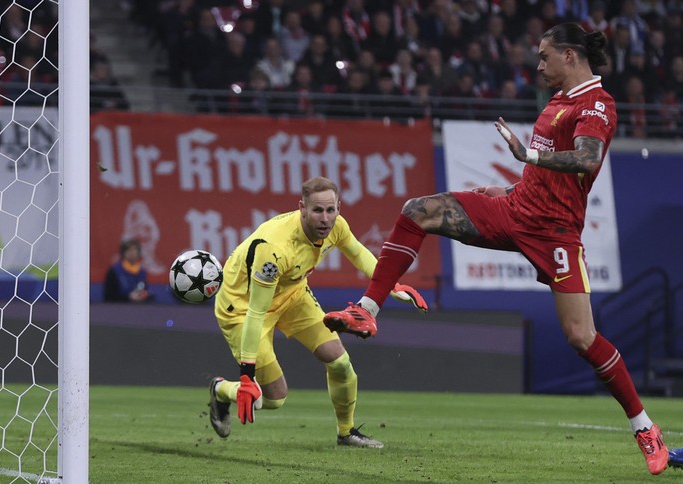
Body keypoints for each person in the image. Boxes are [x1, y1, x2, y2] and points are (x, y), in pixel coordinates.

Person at [323, 23, 670, 475]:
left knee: (581, 337)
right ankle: (368, 308)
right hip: (513, 209)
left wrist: (529, 158)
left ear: (570, 55)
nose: (539, 65)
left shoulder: (597, 104)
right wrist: (509, 185)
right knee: (417, 211)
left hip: (555, 235)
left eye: (545, 57)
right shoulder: (559, 101)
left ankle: (645, 427)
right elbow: (546, 175)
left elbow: (586, 159)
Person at [208, 176, 427, 447]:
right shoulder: (273, 249)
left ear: (338, 208)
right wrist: (246, 376)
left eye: (331, 210)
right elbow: (256, 311)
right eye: (317, 210)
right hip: (242, 308)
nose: (325, 218)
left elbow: (359, 254)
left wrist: (393, 286)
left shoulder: (337, 226)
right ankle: (220, 390)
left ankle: (346, 433)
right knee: (273, 399)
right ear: (302, 208)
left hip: (292, 294)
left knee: (340, 363)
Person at [103, 238, 152, 303]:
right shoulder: (114, 271)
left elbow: (144, 290)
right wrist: (128, 297)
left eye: (134, 250)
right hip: (118, 308)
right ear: (123, 253)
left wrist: (144, 296)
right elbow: (108, 296)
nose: (132, 253)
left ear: (139, 253)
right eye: (128, 250)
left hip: (139, 308)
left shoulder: (142, 272)